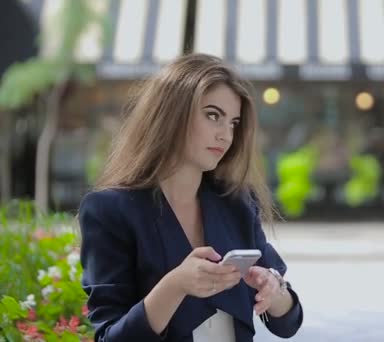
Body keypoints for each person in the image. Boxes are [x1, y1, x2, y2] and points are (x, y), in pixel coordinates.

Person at [78, 54, 303, 341]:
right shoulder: (109, 211)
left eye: (233, 123)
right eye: (213, 116)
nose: (225, 135)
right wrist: (175, 285)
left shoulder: (237, 204)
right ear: (172, 114)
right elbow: (111, 336)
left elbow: (287, 324)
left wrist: (275, 290)